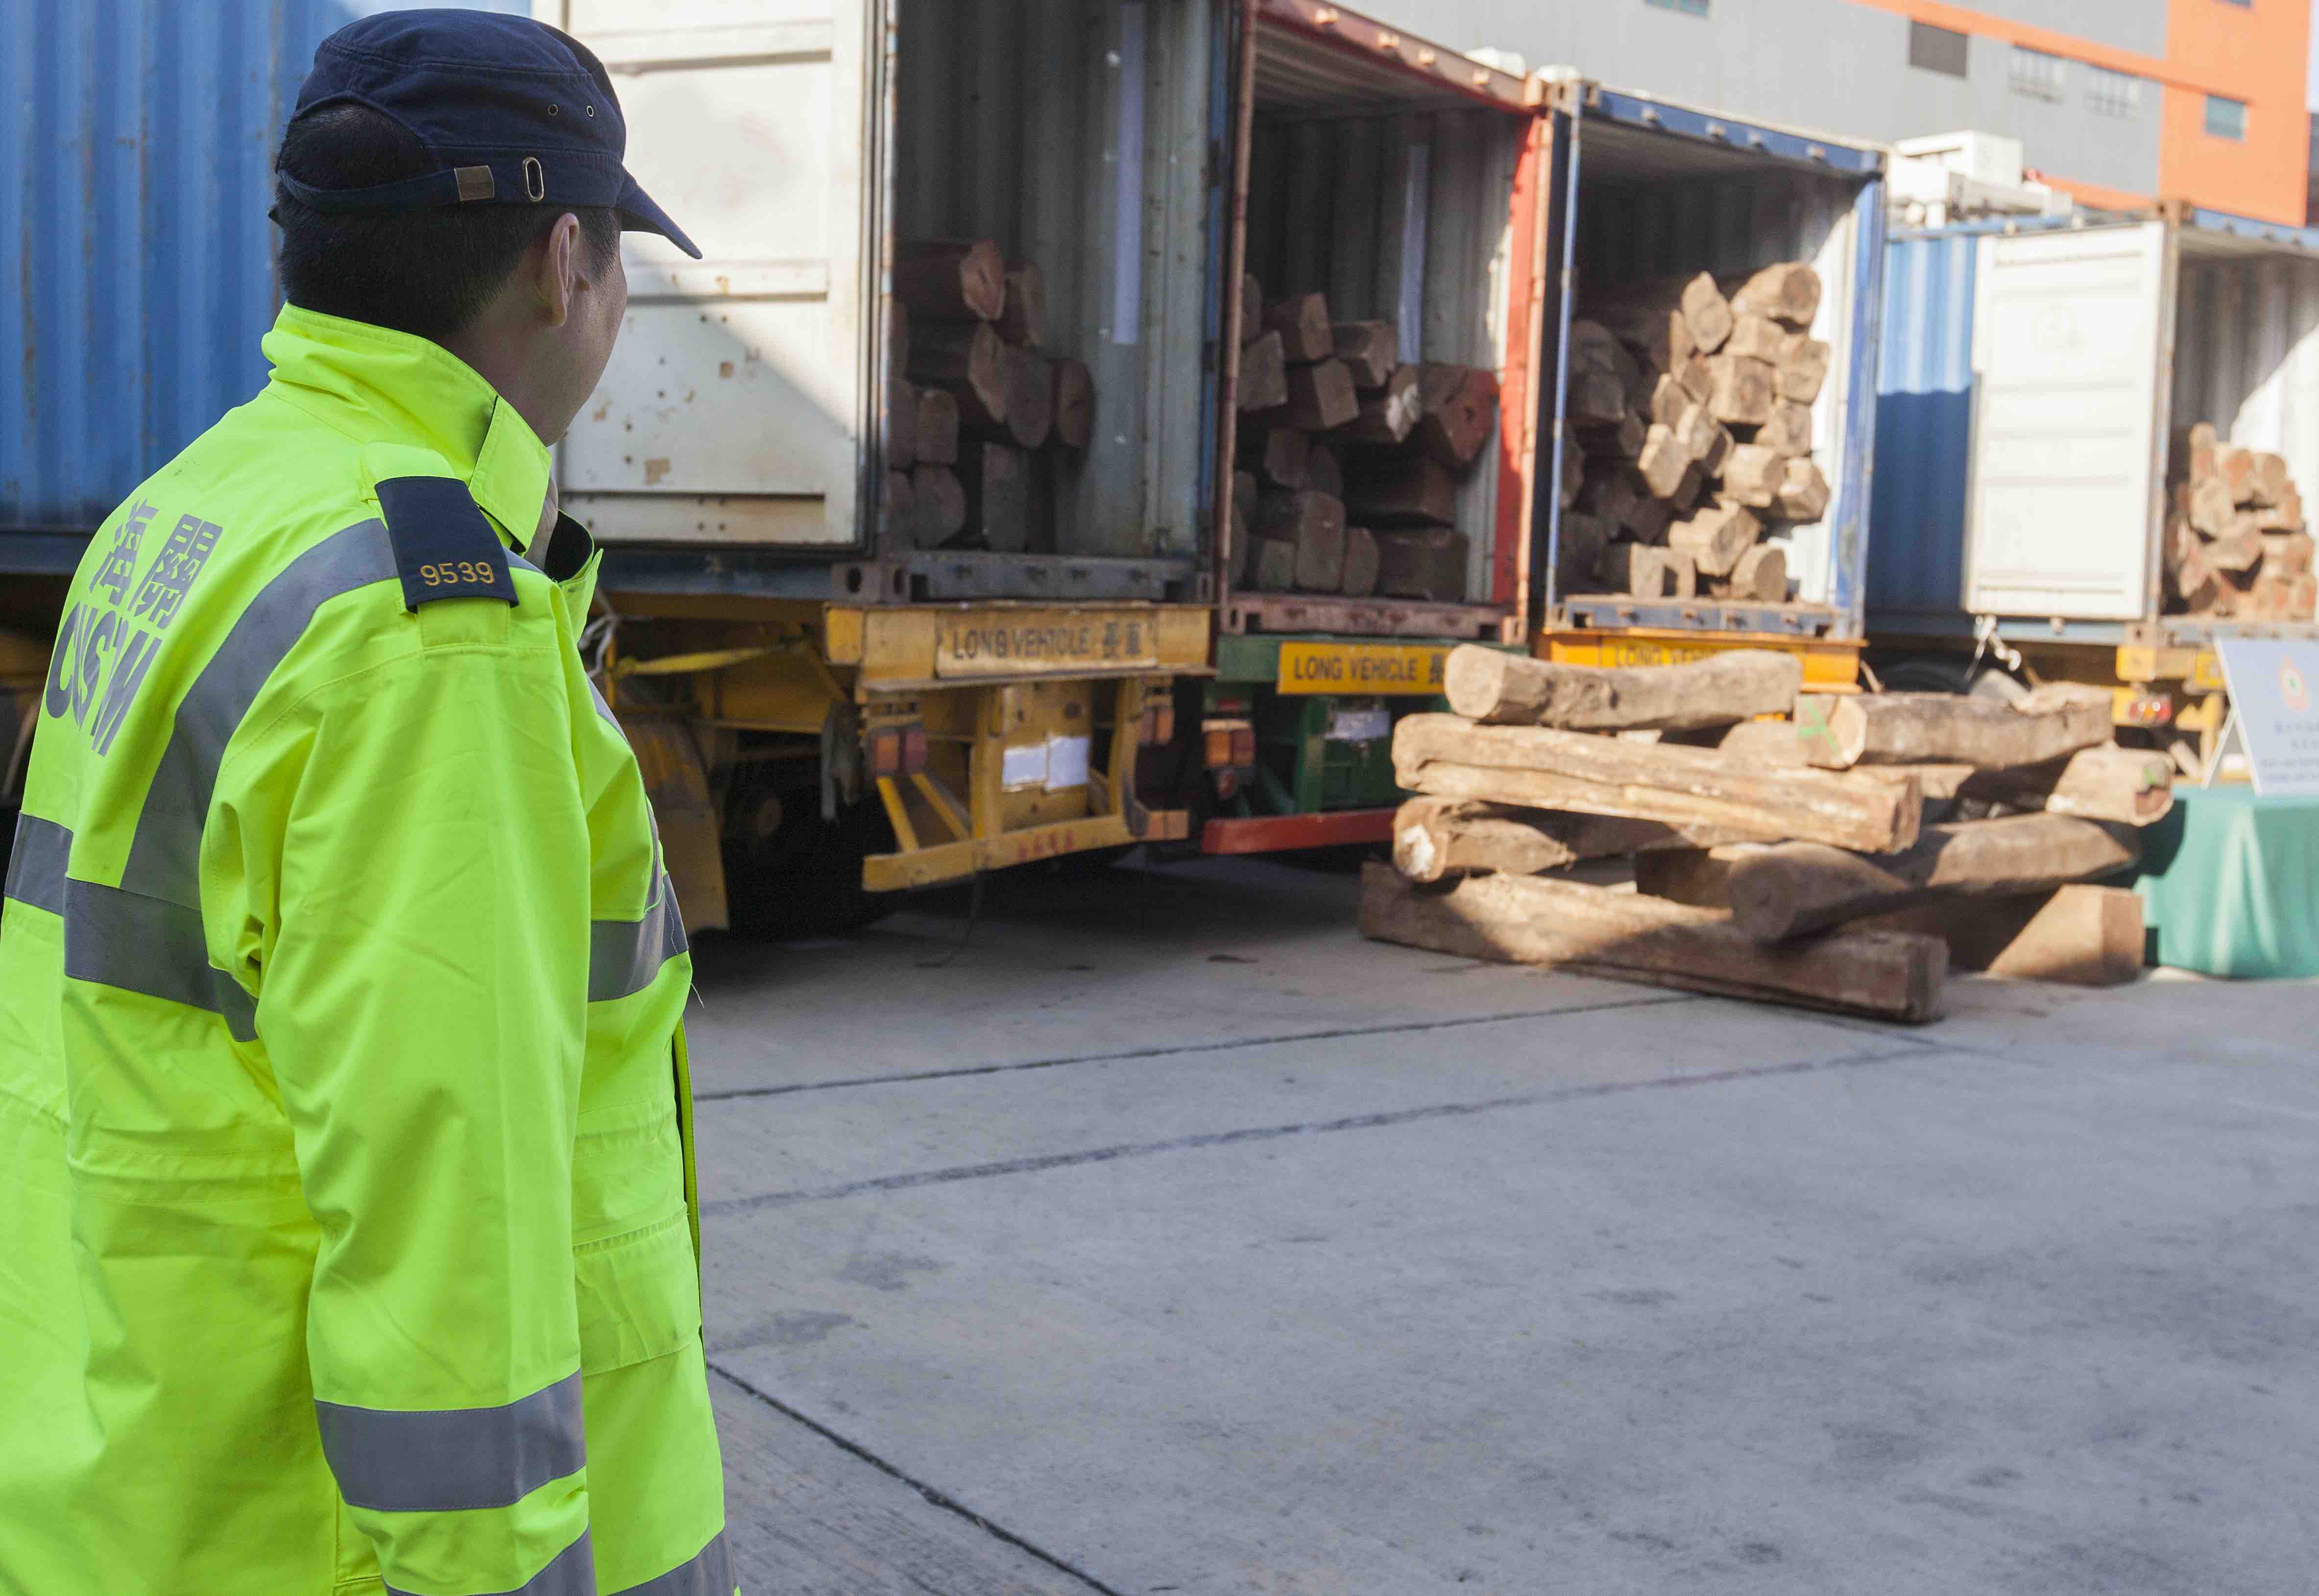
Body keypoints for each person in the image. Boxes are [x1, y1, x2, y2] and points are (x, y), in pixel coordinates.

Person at [0, 12, 733, 1594]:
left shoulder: (188, 508)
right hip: (296, 1539)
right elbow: (448, 1238)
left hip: (124, 1486)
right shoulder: (425, 630)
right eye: (618, 262)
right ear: (562, 265)